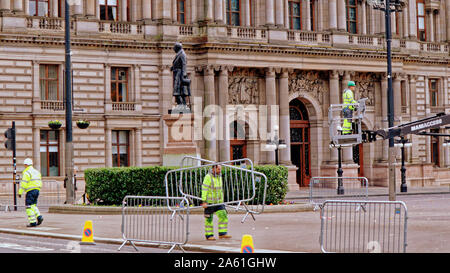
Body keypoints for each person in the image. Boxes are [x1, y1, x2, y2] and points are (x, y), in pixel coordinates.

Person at [201, 164, 232, 241]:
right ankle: (209, 235)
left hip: (218, 202)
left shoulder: (219, 177)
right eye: (218, 169)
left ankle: (222, 233)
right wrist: (204, 201)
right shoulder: (208, 177)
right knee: (209, 219)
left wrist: (222, 200)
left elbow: (220, 190)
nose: (220, 170)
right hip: (209, 202)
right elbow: (204, 189)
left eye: (220, 169)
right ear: (214, 169)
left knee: (223, 215)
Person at [18, 158, 43, 227]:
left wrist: (20, 192)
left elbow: (23, 183)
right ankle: (39, 216)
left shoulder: (27, 172)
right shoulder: (37, 172)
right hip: (37, 190)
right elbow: (40, 181)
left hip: (30, 191)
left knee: (28, 206)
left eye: (24, 165)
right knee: (33, 205)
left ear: (26, 165)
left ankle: (33, 222)